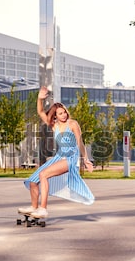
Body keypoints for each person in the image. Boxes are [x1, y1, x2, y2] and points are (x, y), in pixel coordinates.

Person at [18, 86, 95, 218]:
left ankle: (43, 209)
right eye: (60, 113)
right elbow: (41, 112)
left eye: (64, 112)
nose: (64, 115)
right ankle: (34, 207)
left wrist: (85, 159)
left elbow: (80, 142)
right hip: (58, 157)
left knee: (43, 175)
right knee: (32, 181)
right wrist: (39, 99)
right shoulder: (55, 126)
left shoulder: (73, 124)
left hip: (70, 158)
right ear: (55, 116)